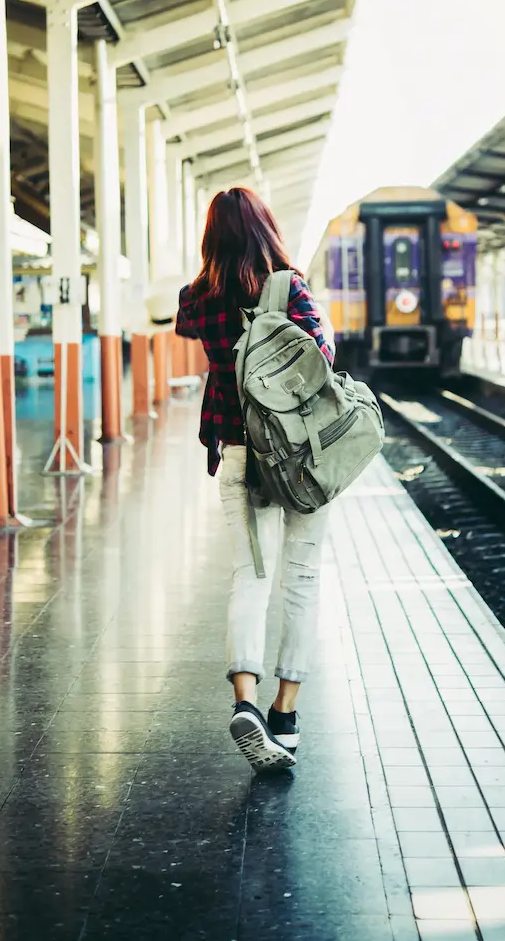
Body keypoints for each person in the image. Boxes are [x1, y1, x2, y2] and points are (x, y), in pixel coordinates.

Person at [176, 187, 335, 772]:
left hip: (241, 452)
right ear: (266, 229)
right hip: (300, 454)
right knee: (302, 578)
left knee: (250, 577)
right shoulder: (289, 289)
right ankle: (285, 714)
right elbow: (322, 358)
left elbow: (185, 327)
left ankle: (245, 702)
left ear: (211, 237)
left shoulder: (198, 298)